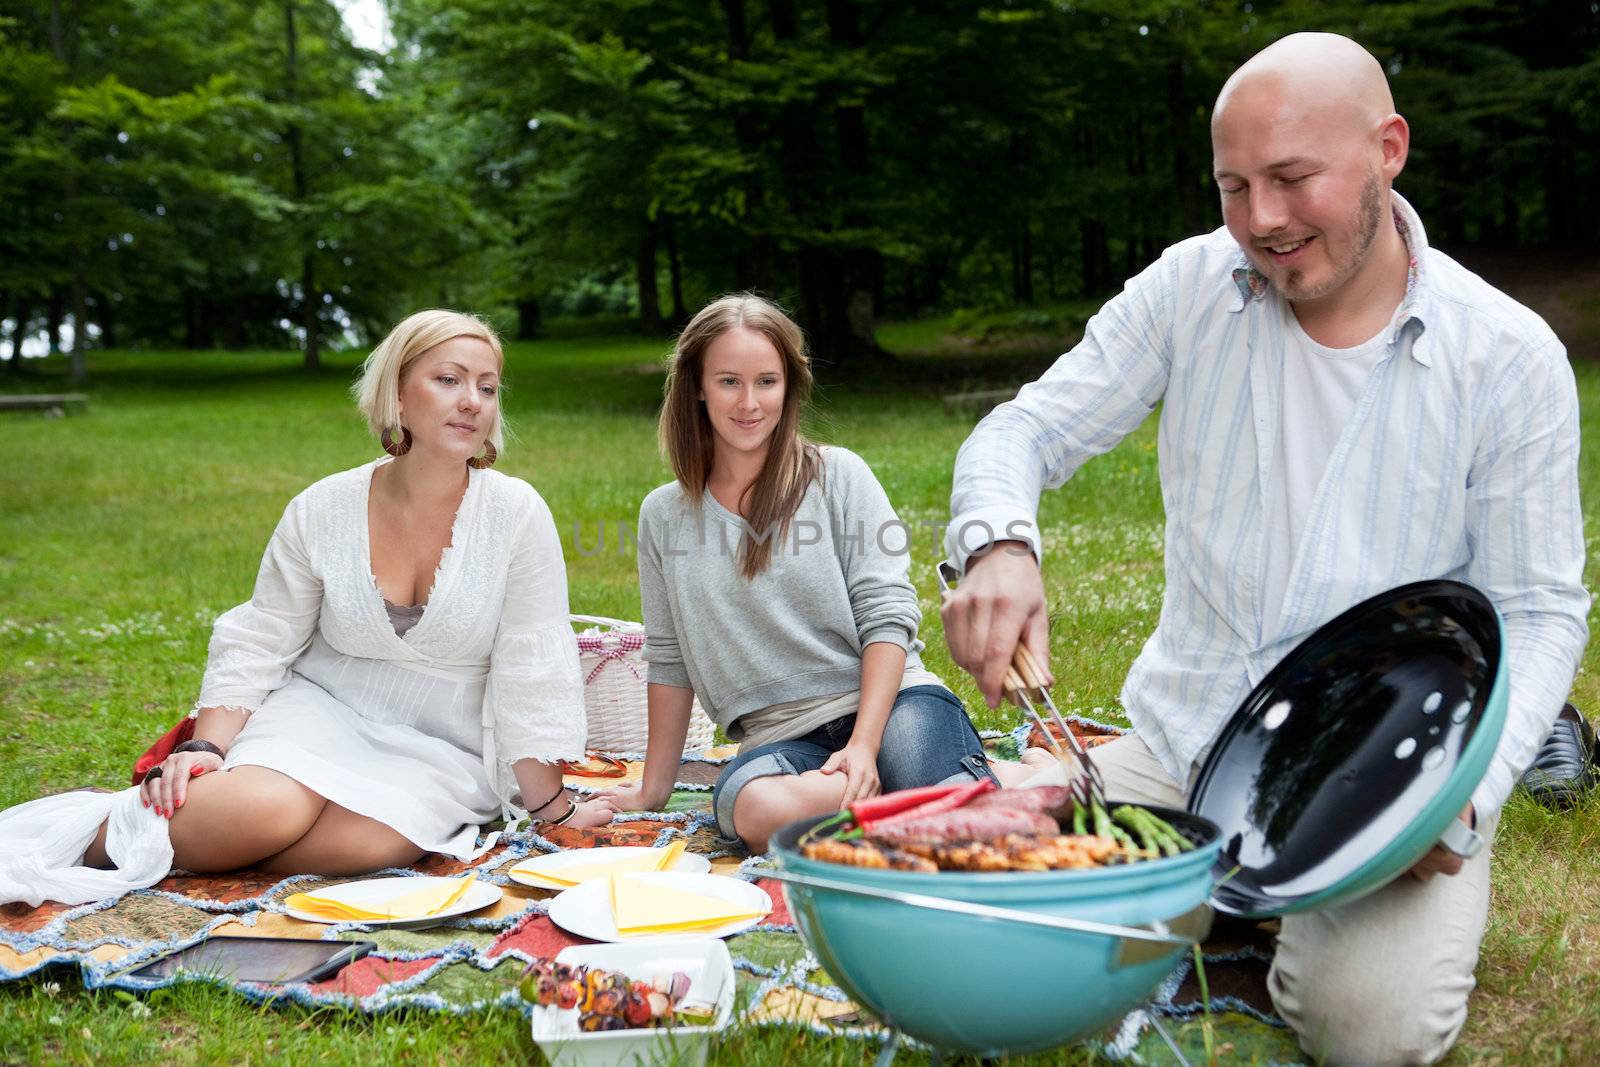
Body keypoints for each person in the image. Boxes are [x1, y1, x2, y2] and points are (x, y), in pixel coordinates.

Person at [939, 33, 1587, 1067]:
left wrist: (1461, 796)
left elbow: (1542, 604)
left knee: (1367, 1031)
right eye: (1233, 186)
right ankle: (1192, 874)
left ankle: (1272, 906)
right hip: (1183, 740)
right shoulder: (1188, 287)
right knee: (990, 942)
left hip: (1373, 778)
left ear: (1388, 149)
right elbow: (1023, 430)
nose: (1261, 222)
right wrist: (999, 546)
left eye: (1291, 179)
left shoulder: (1505, 356)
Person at [0, 310, 615, 908]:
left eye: (487, 387)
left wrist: (548, 808)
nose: (472, 401)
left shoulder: (516, 512)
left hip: (443, 741)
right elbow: (263, 635)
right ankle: (89, 839)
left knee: (368, 846)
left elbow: (530, 663)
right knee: (263, 809)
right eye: (449, 379)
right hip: (322, 709)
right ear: (398, 396)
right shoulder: (323, 507)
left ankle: (206, 847)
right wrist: (206, 750)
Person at [596, 295, 1048, 853]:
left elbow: (888, 618)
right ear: (697, 385)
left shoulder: (837, 476)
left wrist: (862, 747)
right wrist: (653, 790)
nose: (750, 402)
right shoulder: (663, 516)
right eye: (729, 382)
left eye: (767, 381)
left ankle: (998, 787)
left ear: (788, 387)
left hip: (891, 707)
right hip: (782, 741)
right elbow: (669, 657)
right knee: (756, 811)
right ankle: (959, 796)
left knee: (973, 837)